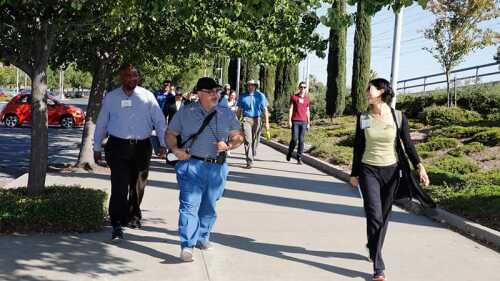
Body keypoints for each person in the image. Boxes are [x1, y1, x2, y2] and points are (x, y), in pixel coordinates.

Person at [350, 78, 430, 281]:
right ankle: (379, 266)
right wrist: (354, 173)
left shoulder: (398, 117)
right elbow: (358, 147)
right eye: (367, 89)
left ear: (382, 92)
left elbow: (409, 146)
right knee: (374, 214)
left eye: (371, 89)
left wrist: (420, 167)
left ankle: (372, 246)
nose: (367, 92)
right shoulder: (364, 117)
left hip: (392, 171)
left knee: (384, 217)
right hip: (369, 171)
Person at [165, 77, 244, 262]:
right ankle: (187, 245)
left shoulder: (226, 113)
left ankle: (202, 236)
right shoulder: (186, 112)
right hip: (191, 166)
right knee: (189, 206)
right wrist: (176, 150)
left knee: (209, 206)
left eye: (218, 91)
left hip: (217, 168)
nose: (216, 95)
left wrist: (229, 146)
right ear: (200, 93)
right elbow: (170, 134)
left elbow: (239, 137)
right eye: (211, 92)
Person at [93, 64, 167, 240]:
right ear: (121, 77)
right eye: (129, 76)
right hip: (117, 146)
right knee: (119, 185)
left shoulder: (147, 96)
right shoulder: (111, 98)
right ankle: (116, 221)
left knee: (138, 185)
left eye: (135, 76)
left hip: (142, 146)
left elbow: (159, 121)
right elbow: (102, 122)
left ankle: (133, 216)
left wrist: (163, 144)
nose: (133, 79)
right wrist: (96, 147)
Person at [236, 80, 270, 169]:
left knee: (255, 140)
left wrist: (267, 123)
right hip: (246, 119)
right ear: (247, 86)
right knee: (248, 140)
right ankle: (249, 160)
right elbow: (239, 110)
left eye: (252, 85)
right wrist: (236, 122)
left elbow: (265, 110)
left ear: (255, 86)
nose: (250, 87)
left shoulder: (260, 96)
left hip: (257, 119)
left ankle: (253, 153)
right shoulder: (243, 96)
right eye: (249, 85)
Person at [286, 81, 310, 165]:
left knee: (302, 140)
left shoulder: (307, 99)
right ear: (299, 88)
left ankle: (299, 158)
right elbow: (290, 109)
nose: (303, 89)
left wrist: (308, 123)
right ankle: (290, 152)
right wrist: (289, 121)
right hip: (295, 121)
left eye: (304, 87)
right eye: (301, 87)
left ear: (306, 89)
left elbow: (307, 110)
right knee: (294, 139)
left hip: (304, 122)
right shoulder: (294, 97)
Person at [151, 79, 172, 155]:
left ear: (170, 86)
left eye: (167, 85)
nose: (166, 86)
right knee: (153, 133)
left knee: (164, 134)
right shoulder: (157, 93)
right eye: (165, 85)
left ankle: (162, 150)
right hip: (155, 116)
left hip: (165, 117)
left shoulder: (171, 96)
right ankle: (157, 150)